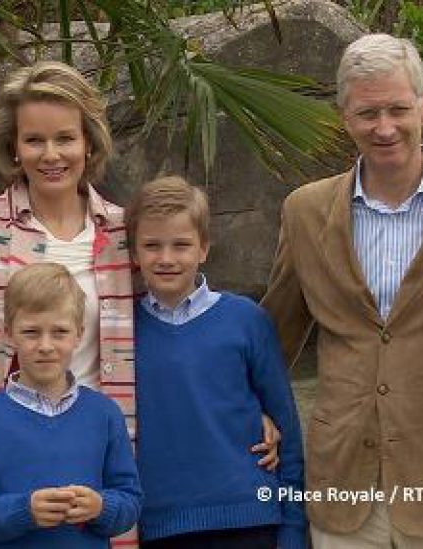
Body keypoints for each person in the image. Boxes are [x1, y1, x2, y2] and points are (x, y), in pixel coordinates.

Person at [0, 61, 279, 472]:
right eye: (34, 140)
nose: (51, 154)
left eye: (65, 138)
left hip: (108, 456)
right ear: (15, 148)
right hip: (7, 456)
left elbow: (178, 328)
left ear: (88, 144)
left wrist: (240, 407)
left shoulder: (122, 231)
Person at [260, 33, 423, 548]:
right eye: (367, 112)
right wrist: (253, 410)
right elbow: (274, 334)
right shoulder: (305, 211)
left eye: (398, 109)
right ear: (343, 116)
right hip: (344, 484)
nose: (384, 127)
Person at [125, 176, 307, 549]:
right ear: (133, 252)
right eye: (152, 246)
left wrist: (292, 529)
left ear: (204, 248)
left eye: (181, 245)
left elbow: (287, 434)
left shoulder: (246, 319)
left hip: (252, 521)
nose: (166, 258)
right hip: (160, 527)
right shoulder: (122, 331)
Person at [0, 263, 141, 548]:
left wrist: (100, 506)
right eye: (31, 332)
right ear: (9, 333)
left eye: (59, 332)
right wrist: (24, 511)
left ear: (79, 334)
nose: (46, 345)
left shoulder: (104, 414)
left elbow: (130, 501)